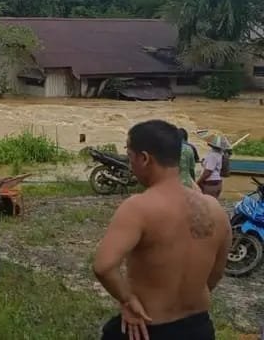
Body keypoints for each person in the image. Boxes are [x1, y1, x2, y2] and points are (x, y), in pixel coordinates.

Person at [93, 119, 232, 340]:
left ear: (144, 158)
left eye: (130, 158)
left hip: (146, 328)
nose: (131, 166)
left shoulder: (138, 207)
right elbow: (216, 272)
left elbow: (103, 266)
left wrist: (128, 300)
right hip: (199, 328)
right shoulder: (215, 209)